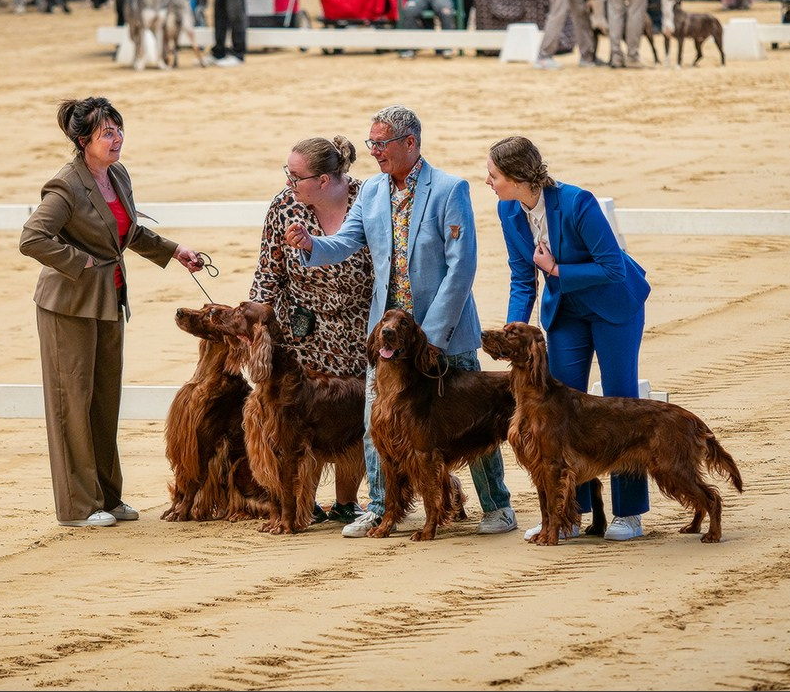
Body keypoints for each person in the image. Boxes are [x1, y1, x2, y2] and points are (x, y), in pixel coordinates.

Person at [284, 105, 520, 540]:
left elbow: (461, 266)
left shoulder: (450, 189)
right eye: (371, 142)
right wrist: (311, 244)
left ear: (410, 143)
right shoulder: (372, 191)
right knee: (380, 427)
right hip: (388, 338)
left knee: (476, 420)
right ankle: (379, 508)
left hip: (445, 334)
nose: (373, 151)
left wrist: (432, 334)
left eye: (381, 143)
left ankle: (498, 506)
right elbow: (345, 243)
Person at [20, 96, 207, 528]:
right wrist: (80, 262)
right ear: (83, 139)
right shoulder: (65, 185)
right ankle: (79, 506)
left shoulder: (116, 174)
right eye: (107, 132)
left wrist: (176, 251)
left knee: (105, 401)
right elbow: (32, 238)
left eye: (119, 129)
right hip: (68, 305)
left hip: (109, 299)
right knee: (72, 402)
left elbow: (129, 230)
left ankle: (108, 496)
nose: (117, 138)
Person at [485, 135, 651, 543]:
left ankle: (629, 514)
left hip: (615, 307)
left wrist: (557, 270)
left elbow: (612, 267)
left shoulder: (578, 202)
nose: (488, 181)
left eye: (494, 175)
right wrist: (512, 332)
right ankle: (570, 515)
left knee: (620, 403)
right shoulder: (508, 210)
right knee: (559, 410)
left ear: (520, 177)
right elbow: (522, 277)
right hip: (567, 312)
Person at [250, 135, 374, 525]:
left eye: (296, 176)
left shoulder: (368, 200)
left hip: (359, 326)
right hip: (302, 330)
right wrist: (255, 325)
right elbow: (268, 273)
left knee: (352, 417)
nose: (288, 182)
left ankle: (347, 502)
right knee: (301, 419)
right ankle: (303, 504)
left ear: (324, 180)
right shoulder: (284, 206)